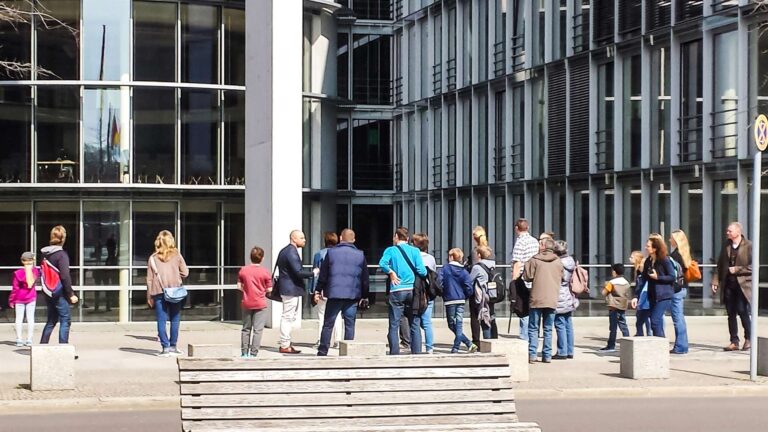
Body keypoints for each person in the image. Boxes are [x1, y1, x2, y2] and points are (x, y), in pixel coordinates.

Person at [315, 229, 369, 356]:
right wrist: (365, 295)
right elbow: (365, 278)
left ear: (340, 238)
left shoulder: (331, 253)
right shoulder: (360, 255)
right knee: (349, 324)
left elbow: (323, 274)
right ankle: (347, 352)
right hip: (352, 295)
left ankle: (323, 351)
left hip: (334, 294)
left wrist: (318, 289)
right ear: (354, 239)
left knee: (328, 324)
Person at [379, 227, 427, 355]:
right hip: (413, 291)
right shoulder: (415, 251)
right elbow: (423, 271)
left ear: (396, 237)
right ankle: (416, 353)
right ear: (407, 239)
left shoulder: (390, 250)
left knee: (394, 324)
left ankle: (394, 353)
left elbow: (382, 263)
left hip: (397, 289)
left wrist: (391, 272)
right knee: (415, 323)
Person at [146, 230, 189, 357]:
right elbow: (185, 273)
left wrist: (149, 295)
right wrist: (176, 276)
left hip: (158, 292)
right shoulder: (177, 255)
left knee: (161, 320)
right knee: (175, 319)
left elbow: (149, 279)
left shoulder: (153, 258)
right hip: (175, 291)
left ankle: (165, 348)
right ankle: (173, 346)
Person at [712, 222, 752, 352]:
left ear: (738, 232)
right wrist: (715, 281)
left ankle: (749, 338)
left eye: (730, 231)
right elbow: (720, 264)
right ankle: (734, 341)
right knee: (731, 313)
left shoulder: (749, 246)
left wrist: (738, 269)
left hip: (743, 285)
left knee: (742, 310)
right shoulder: (726, 245)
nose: (727, 233)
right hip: (729, 284)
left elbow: (752, 266)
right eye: (727, 231)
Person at [275, 230, 317, 354]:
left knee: (288, 317)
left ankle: (286, 342)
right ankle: (285, 344)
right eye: (301, 238)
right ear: (294, 239)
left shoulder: (284, 251)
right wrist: (313, 273)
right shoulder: (291, 252)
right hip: (290, 289)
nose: (304, 240)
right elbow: (298, 272)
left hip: (288, 288)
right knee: (287, 317)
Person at [523, 237, 563, 364]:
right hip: (552, 298)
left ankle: (532, 354)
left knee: (533, 328)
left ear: (544, 247)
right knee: (548, 328)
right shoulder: (558, 262)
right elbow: (561, 277)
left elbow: (527, 276)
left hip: (537, 298)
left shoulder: (535, 260)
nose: (539, 245)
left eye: (540, 244)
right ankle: (547, 355)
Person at [40, 225, 79, 345]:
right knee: (65, 320)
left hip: (48, 290)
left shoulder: (44, 254)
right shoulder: (61, 255)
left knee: (51, 320)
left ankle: (42, 346)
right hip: (59, 292)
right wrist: (71, 294)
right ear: (63, 238)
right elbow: (65, 276)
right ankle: (63, 348)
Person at [238, 247, 272, 358]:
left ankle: (244, 352)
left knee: (246, 328)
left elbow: (239, 286)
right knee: (258, 330)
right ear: (262, 258)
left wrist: (247, 291)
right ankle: (254, 353)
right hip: (260, 303)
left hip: (247, 302)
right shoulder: (265, 272)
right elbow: (269, 289)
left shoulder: (243, 270)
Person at [441, 248, 476, 353]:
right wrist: (465, 296)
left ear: (451, 257)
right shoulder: (464, 272)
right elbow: (469, 287)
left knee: (451, 324)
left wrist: (443, 292)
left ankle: (457, 347)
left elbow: (439, 281)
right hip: (461, 300)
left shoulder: (445, 269)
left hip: (450, 300)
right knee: (459, 323)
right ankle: (467, 344)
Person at [510, 218, 540, 341]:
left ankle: (525, 336)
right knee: (533, 307)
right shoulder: (534, 241)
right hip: (535, 278)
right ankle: (534, 334)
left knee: (523, 308)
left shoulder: (520, 242)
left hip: (523, 279)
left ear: (517, 228)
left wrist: (513, 282)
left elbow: (517, 263)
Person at [312, 232, 342, 349]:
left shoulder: (319, 254)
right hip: (337, 289)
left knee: (322, 315)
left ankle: (321, 339)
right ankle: (338, 339)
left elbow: (316, 274)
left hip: (324, 289)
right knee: (338, 315)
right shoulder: (340, 254)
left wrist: (315, 291)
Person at [643, 234, 676, 338]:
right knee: (656, 322)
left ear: (654, 248)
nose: (646, 248)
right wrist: (636, 295)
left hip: (664, 295)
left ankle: (660, 345)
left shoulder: (664, 260)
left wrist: (658, 277)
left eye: (648, 246)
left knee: (655, 321)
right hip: (652, 295)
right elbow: (644, 277)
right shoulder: (648, 261)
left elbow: (672, 277)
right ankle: (660, 344)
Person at [553, 240, 578, 360]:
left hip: (560, 294)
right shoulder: (571, 261)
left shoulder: (558, 264)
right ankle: (570, 350)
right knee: (568, 323)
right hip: (569, 294)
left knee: (559, 323)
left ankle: (562, 351)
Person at [469, 246, 498, 345]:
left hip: (481, 296)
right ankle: (493, 341)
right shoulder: (493, 265)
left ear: (479, 255)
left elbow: (470, 280)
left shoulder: (477, 267)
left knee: (484, 319)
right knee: (491, 317)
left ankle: (487, 342)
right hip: (492, 295)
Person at [412, 233, 436, 354]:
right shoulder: (431, 258)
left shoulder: (413, 257)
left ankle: (416, 345)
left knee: (415, 320)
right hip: (427, 293)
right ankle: (429, 347)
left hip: (415, 292)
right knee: (427, 322)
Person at [669, 230, 692, 354]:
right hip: (683, 287)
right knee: (680, 317)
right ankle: (682, 344)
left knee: (677, 318)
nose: (669, 240)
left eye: (671, 238)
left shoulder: (676, 256)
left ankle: (681, 346)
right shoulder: (685, 254)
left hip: (677, 289)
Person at [599, 264, 631, 352]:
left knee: (613, 328)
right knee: (623, 325)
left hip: (613, 306)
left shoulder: (612, 283)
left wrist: (605, 286)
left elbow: (604, 293)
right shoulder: (626, 282)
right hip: (622, 306)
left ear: (614, 272)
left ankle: (611, 345)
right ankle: (628, 343)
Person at [10, 252, 39, 346]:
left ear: (22, 261)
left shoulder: (17, 273)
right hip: (31, 297)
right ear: (33, 260)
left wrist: (11, 300)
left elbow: (15, 288)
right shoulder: (35, 271)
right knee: (30, 319)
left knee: (19, 319)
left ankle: (19, 339)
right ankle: (29, 339)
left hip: (19, 298)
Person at [629, 250, 652, 336]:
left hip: (645, 295)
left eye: (631, 257)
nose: (629, 259)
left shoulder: (642, 269)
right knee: (641, 316)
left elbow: (642, 284)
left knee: (644, 316)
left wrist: (637, 296)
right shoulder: (637, 270)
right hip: (642, 295)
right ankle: (641, 333)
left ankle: (646, 334)